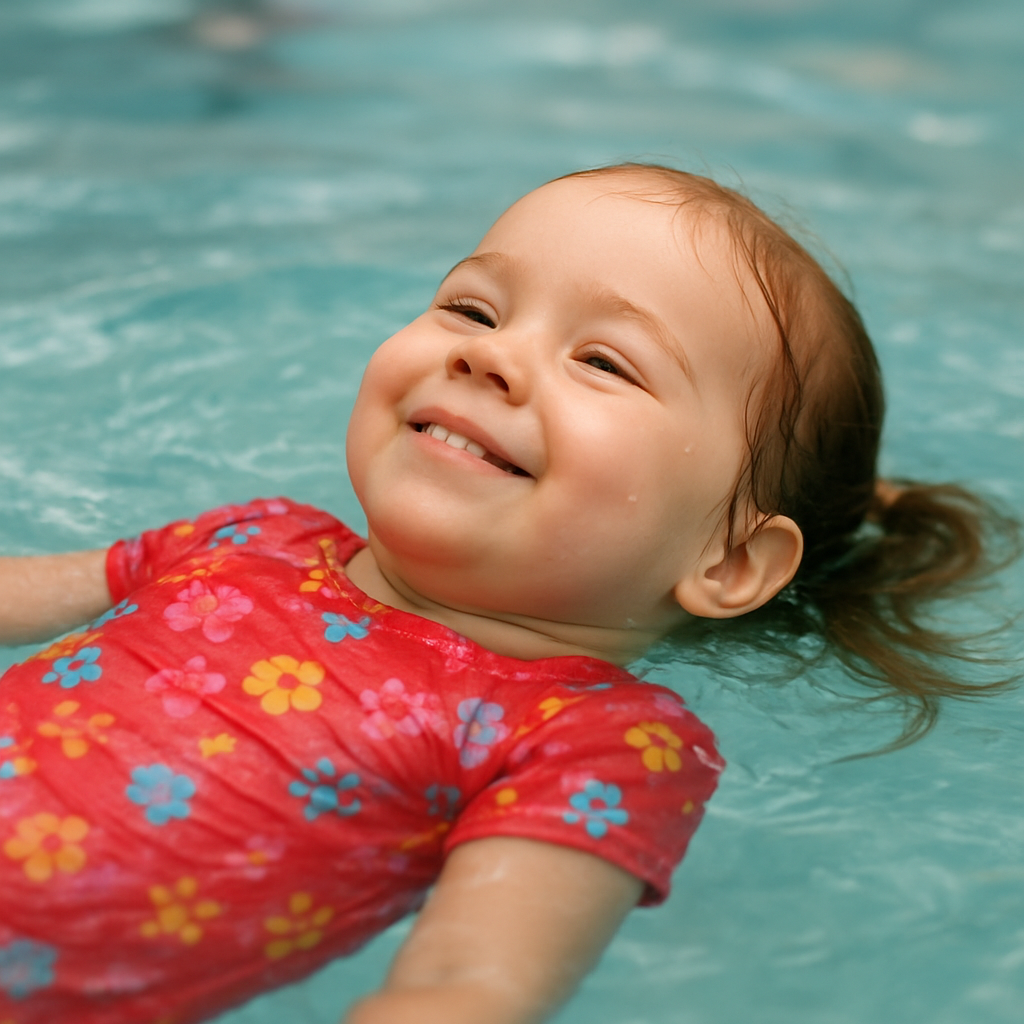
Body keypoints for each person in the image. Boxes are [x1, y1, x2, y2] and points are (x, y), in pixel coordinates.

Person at [0, 164, 1016, 1024]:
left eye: (604, 361)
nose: (486, 353)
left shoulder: (592, 740)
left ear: (729, 562)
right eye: (472, 307)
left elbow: (465, 987)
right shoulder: (249, 536)